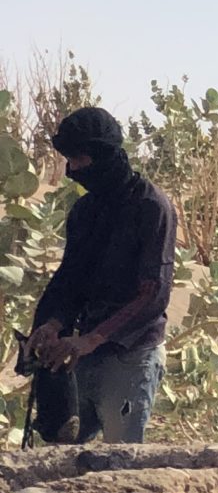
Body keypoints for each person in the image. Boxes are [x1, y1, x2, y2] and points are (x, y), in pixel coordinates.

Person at [27, 107, 178, 445]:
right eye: (70, 160)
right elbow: (71, 278)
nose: (73, 170)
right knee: (61, 450)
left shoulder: (152, 207)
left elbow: (153, 293)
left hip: (130, 356)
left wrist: (94, 338)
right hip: (81, 354)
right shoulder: (85, 211)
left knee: (120, 462)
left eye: (80, 159)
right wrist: (52, 324)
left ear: (104, 155)